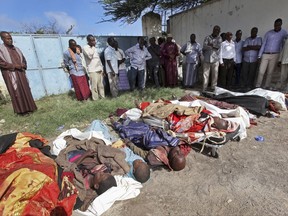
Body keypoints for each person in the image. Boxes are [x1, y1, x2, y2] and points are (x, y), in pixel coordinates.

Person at [0, 31, 37, 114]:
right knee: (16, 92)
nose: (10, 40)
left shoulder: (16, 49)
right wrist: (15, 66)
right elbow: (1, 63)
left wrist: (23, 64)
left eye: (11, 38)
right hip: (10, 74)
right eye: (8, 39)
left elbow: (23, 59)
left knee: (26, 89)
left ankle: (30, 108)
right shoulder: (1, 50)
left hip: (21, 73)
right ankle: (21, 111)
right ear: (2, 39)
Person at [256, 18, 287, 89]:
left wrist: (280, 58)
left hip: (275, 54)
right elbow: (264, 44)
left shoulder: (284, 33)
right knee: (261, 71)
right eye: (275, 25)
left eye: (278, 25)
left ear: (281, 25)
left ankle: (266, 86)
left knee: (270, 72)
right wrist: (259, 55)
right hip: (265, 54)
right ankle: (258, 86)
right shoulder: (269, 33)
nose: (276, 27)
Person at [83, 34, 105, 100]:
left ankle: (102, 97)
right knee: (94, 86)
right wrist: (93, 47)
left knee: (101, 85)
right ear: (88, 41)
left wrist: (102, 68)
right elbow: (90, 56)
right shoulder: (85, 48)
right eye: (92, 41)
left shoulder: (94, 48)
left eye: (94, 40)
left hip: (99, 69)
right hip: (92, 70)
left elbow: (98, 59)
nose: (94, 42)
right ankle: (95, 99)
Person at [202, 25, 222, 92]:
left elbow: (218, 47)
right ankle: (204, 88)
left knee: (215, 75)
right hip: (207, 59)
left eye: (218, 31)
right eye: (215, 30)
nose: (216, 32)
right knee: (205, 74)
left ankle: (213, 88)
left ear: (219, 32)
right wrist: (212, 46)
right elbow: (204, 47)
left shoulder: (219, 38)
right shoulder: (207, 37)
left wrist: (211, 45)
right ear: (213, 30)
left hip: (215, 60)